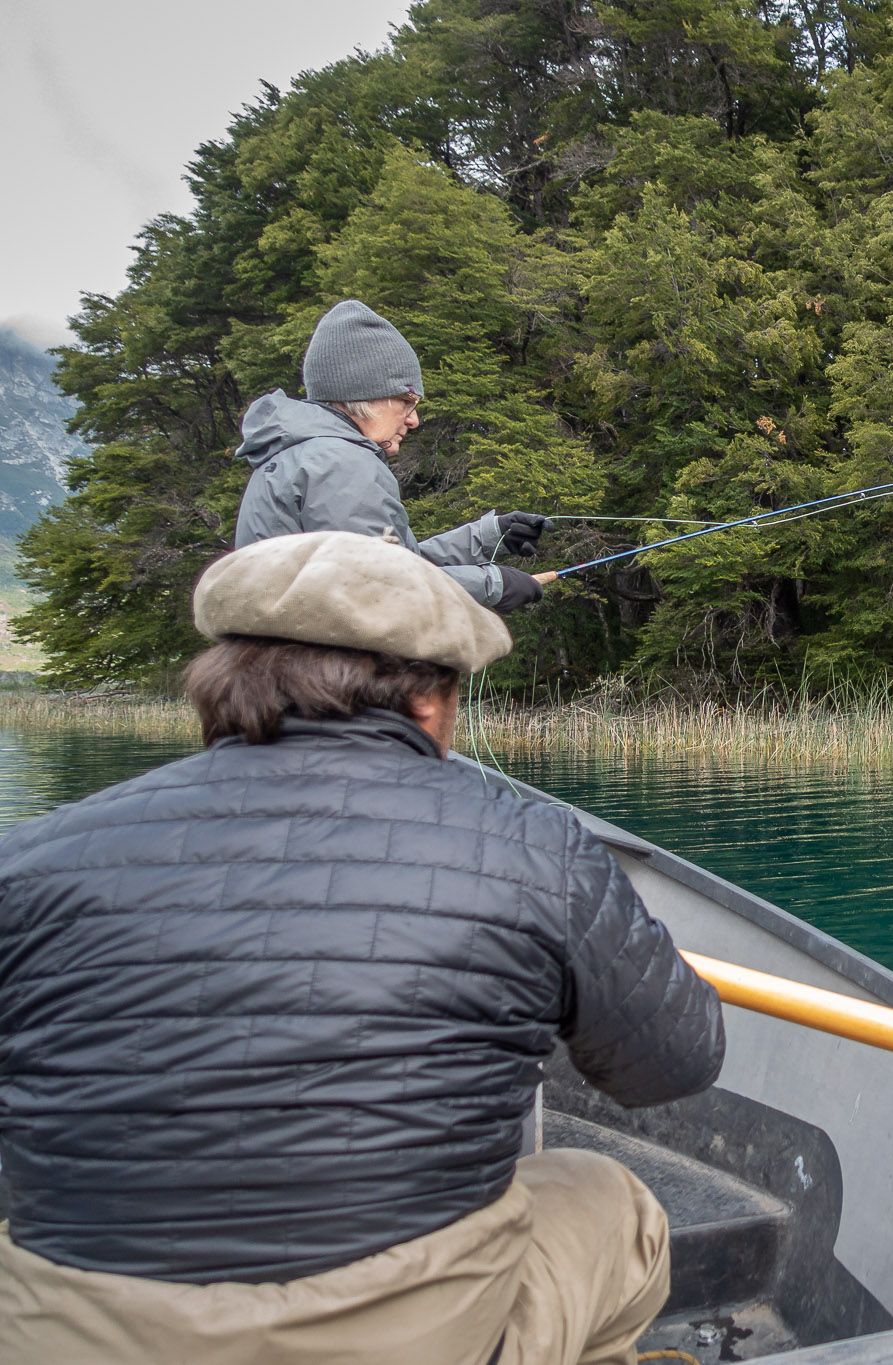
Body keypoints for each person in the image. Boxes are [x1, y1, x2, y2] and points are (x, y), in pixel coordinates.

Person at [0, 531, 725, 1365]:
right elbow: (677, 1065)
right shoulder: (534, 845)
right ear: (427, 702)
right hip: (396, 1340)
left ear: (221, 683)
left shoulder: (33, 854)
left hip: (69, 1338)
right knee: (612, 1199)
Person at [235, 299, 555, 610]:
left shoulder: (308, 455)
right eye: (407, 401)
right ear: (366, 395)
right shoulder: (339, 463)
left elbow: (399, 564)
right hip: (322, 664)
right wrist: (493, 585)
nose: (413, 419)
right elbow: (382, 588)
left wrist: (489, 534)